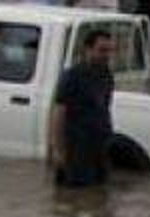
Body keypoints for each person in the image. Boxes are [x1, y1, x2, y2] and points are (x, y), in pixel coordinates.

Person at [50, 29, 115, 187]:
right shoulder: (72, 76)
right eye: (102, 50)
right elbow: (58, 114)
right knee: (74, 197)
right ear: (88, 49)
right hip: (76, 150)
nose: (106, 55)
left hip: (99, 147)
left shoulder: (106, 75)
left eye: (109, 51)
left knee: (98, 196)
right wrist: (58, 151)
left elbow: (106, 107)